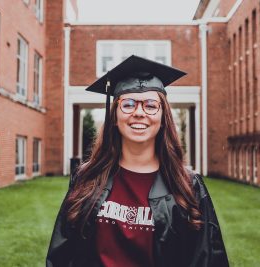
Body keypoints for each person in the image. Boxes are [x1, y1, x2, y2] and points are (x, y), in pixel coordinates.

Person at [46, 55, 229, 267]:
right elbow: (62, 255)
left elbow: (207, 260)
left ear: (163, 117)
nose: (139, 113)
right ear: (114, 115)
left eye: (151, 105)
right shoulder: (86, 178)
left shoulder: (188, 185)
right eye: (128, 104)